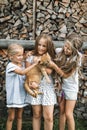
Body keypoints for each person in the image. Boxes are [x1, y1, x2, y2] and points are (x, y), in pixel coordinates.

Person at [25, 34, 69, 130]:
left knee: (48, 117)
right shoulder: (30, 57)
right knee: (36, 114)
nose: (40, 47)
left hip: (48, 88)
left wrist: (38, 62)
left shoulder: (51, 58)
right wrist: (31, 82)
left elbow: (49, 71)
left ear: (48, 46)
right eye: (39, 45)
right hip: (35, 86)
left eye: (44, 46)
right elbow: (27, 72)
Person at [6, 43, 40, 130]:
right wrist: (34, 64)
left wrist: (26, 57)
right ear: (11, 56)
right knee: (11, 117)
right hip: (13, 96)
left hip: (21, 94)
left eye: (22, 55)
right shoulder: (10, 66)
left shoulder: (23, 64)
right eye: (18, 56)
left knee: (20, 116)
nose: (21, 57)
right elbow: (22, 72)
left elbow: (24, 66)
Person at [54, 34, 83, 130]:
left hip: (71, 88)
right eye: (65, 46)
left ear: (75, 51)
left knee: (68, 113)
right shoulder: (60, 52)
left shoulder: (76, 59)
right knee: (61, 111)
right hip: (61, 87)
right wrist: (32, 52)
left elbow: (66, 75)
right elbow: (47, 50)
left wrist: (55, 67)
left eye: (69, 48)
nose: (65, 49)